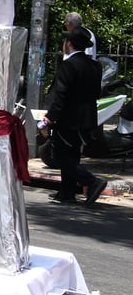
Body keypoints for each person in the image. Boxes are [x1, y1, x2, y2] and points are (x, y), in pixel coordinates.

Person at [40, 26, 105, 206]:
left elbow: (61, 95)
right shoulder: (95, 66)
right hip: (86, 119)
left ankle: (92, 181)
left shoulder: (68, 66)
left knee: (61, 156)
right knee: (72, 154)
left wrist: (50, 117)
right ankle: (67, 192)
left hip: (68, 118)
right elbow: (95, 93)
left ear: (68, 44)